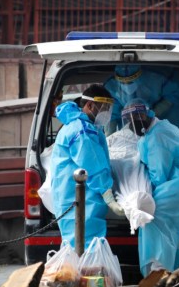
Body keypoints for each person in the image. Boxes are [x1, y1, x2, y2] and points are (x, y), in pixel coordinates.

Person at [121, 99, 179, 276]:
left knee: (155, 217)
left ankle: (160, 269)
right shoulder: (157, 128)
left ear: (144, 116)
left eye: (134, 120)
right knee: (173, 228)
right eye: (129, 121)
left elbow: (159, 175)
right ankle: (173, 270)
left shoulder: (157, 137)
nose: (132, 125)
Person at [50, 84, 126, 249]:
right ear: (90, 105)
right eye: (104, 107)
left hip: (74, 199)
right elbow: (92, 163)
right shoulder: (82, 130)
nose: (107, 112)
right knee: (85, 247)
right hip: (78, 200)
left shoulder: (80, 126)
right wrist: (107, 194)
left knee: (77, 247)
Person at [104, 65, 179, 133]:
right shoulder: (111, 86)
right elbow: (112, 113)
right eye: (123, 82)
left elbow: (175, 93)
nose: (127, 87)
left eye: (131, 81)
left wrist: (155, 112)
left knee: (167, 137)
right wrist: (109, 137)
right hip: (132, 125)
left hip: (165, 116)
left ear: (139, 75)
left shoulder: (159, 77)